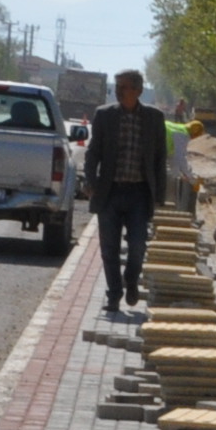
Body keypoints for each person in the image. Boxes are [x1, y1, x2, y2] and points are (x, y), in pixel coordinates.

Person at [85, 69, 170, 317]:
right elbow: (93, 154)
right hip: (109, 193)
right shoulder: (104, 115)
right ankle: (114, 295)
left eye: (124, 87)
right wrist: (90, 181)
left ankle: (130, 279)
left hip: (139, 195)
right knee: (108, 248)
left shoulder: (154, 118)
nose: (119, 92)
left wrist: (159, 196)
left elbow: (159, 158)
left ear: (138, 90)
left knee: (137, 246)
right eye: (117, 87)